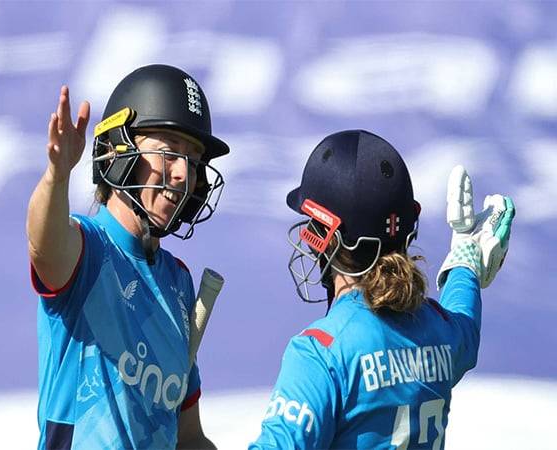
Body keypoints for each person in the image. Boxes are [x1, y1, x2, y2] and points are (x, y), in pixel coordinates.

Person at [249, 130, 515, 449]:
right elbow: (466, 326)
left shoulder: (321, 352)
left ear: (328, 236)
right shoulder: (439, 329)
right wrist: (465, 262)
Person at [27, 64, 229, 449]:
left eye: (194, 159)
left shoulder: (179, 282)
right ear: (119, 152)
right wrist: (57, 175)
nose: (185, 175)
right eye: (170, 152)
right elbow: (43, 244)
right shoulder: (87, 249)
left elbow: (188, 438)